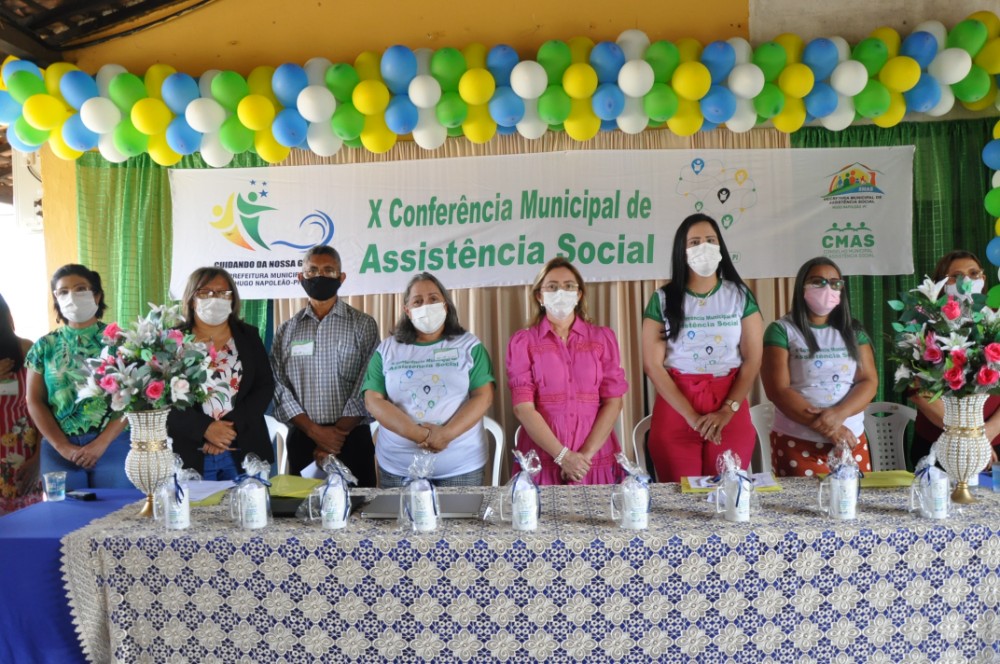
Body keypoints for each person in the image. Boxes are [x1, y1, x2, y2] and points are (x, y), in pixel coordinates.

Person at [641, 213, 763, 482]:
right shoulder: (663, 299)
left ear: (720, 247)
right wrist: (692, 417)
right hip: (676, 408)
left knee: (729, 494)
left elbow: (753, 359)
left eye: (710, 240)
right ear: (682, 252)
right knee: (681, 498)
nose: (703, 247)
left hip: (729, 405)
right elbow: (652, 364)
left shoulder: (740, 295)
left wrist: (727, 410)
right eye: (694, 242)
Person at [362, 272, 495, 487]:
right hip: (398, 468)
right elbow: (373, 400)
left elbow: (484, 396)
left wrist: (446, 434)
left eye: (433, 299)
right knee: (400, 522)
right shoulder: (387, 349)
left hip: (460, 467)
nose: (426, 306)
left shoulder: (469, 345)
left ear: (445, 305)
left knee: (461, 523)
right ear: (407, 310)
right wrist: (419, 434)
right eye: (418, 301)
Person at [506, 257, 628, 484]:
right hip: (541, 459)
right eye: (552, 287)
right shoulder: (523, 342)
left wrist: (582, 458)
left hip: (593, 460)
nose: (560, 292)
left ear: (579, 295)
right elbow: (523, 408)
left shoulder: (603, 338)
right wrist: (563, 456)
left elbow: (614, 401)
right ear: (539, 296)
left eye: (569, 286)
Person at [271, 245, 380, 485]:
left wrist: (335, 437)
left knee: (358, 516)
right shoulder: (286, 330)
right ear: (301, 278)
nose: (320, 276)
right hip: (303, 439)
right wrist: (315, 432)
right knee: (304, 518)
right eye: (312, 271)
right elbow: (278, 385)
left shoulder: (363, 325)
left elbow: (369, 383)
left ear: (341, 278)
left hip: (350, 439)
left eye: (328, 270)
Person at [761, 257, 877, 477]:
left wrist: (839, 415)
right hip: (797, 441)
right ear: (801, 287)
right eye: (817, 282)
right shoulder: (781, 330)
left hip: (850, 439)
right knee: (801, 509)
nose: (827, 288)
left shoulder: (853, 331)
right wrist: (830, 427)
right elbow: (777, 390)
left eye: (834, 283)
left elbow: (868, 381)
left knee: (852, 507)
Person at [25, 264, 131, 490]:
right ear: (56, 298)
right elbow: (34, 400)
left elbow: (132, 397)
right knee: (65, 518)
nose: (71, 296)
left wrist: (101, 443)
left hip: (112, 444)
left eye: (80, 288)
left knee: (117, 518)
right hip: (59, 450)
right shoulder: (44, 346)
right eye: (63, 291)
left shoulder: (121, 342)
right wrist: (62, 446)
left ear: (97, 295)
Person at [167, 268, 274, 479]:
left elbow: (264, 386)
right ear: (191, 299)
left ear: (232, 299)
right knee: (196, 512)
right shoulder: (173, 340)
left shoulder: (248, 336)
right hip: (191, 451)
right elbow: (161, 399)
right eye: (205, 293)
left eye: (222, 293)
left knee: (250, 511)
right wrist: (205, 429)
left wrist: (225, 431)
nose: (214, 298)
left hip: (244, 448)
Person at [909, 250, 1000, 467]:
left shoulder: (996, 321)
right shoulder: (924, 325)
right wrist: (966, 436)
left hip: (994, 442)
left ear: (983, 279)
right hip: (940, 443)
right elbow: (917, 390)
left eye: (973, 273)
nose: (966, 280)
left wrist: (986, 433)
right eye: (956, 276)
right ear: (942, 283)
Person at [0, 293, 41, 513]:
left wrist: (39, 457)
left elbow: (43, 406)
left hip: (23, 453)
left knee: (27, 524)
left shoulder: (26, 348)